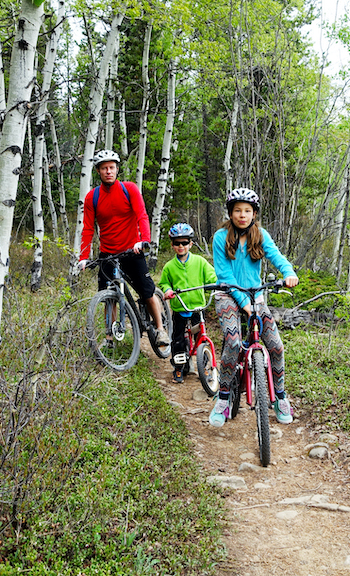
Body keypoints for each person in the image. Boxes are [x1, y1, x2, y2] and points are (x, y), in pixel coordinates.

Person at [209, 187, 299, 427]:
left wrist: (288, 272)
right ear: (230, 213)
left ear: (254, 214)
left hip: (255, 295)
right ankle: (224, 397)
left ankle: (280, 397)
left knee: (276, 346)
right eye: (237, 210)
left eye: (247, 211)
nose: (242, 215)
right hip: (227, 294)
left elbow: (277, 257)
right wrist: (244, 304)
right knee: (233, 342)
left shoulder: (261, 235)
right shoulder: (220, 237)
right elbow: (225, 275)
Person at [76, 149, 170, 347]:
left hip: (132, 250)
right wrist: (83, 257)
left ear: (117, 169)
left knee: (147, 291)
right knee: (109, 297)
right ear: (99, 172)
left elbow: (142, 215)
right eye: (104, 168)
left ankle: (161, 330)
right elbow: (87, 229)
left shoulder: (129, 189)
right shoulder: (92, 197)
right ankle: (109, 338)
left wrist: (144, 241)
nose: (108, 171)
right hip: (107, 254)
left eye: (111, 167)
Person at [159, 223, 217, 383]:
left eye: (184, 243)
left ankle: (205, 366)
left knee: (201, 336)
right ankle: (179, 368)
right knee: (177, 339)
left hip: (198, 306)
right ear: (172, 245)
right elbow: (164, 283)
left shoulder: (199, 262)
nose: (181, 246)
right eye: (177, 243)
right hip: (180, 307)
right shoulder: (169, 266)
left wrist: (217, 283)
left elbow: (212, 276)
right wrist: (167, 290)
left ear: (190, 244)